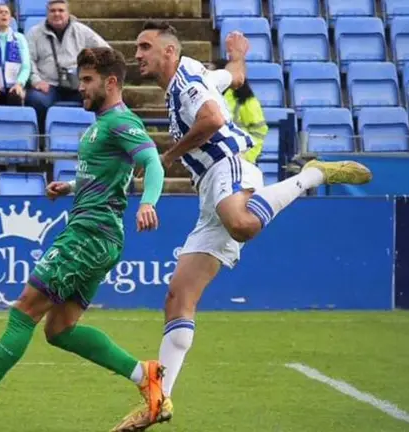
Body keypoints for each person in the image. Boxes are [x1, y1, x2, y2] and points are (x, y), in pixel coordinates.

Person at [130, 21, 373, 428]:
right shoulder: (195, 78)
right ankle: (160, 401)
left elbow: (211, 119)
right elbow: (235, 77)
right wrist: (238, 56)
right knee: (178, 295)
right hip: (208, 189)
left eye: (145, 47)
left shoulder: (186, 81)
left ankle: (312, 175)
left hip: (227, 167)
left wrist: (167, 156)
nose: (137, 54)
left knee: (242, 223)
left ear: (169, 51)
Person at [0, 47, 167, 432]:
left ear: (111, 82)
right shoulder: (102, 125)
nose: (80, 87)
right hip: (99, 236)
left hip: (89, 234)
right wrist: (70, 186)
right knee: (59, 330)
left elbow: (152, 161)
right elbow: (106, 176)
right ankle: (144, 375)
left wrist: (149, 202)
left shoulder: (121, 121)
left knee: (24, 310)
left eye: (87, 80)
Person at [25, 0, 109, 126]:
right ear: (47, 13)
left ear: (68, 13)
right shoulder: (34, 33)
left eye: (61, 10)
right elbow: (28, 60)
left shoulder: (82, 30)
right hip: (48, 85)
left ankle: (98, 133)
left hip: (78, 84)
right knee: (36, 100)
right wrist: (36, 81)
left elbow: (106, 52)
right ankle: (42, 136)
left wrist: (91, 75)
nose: (57, 14)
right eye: (53, 11)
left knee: (101, 95)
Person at [212, 58, 267, 164]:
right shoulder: (209, 96)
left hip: (239, 159)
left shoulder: (246, 99)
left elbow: (259, 131)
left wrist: (247, 156)